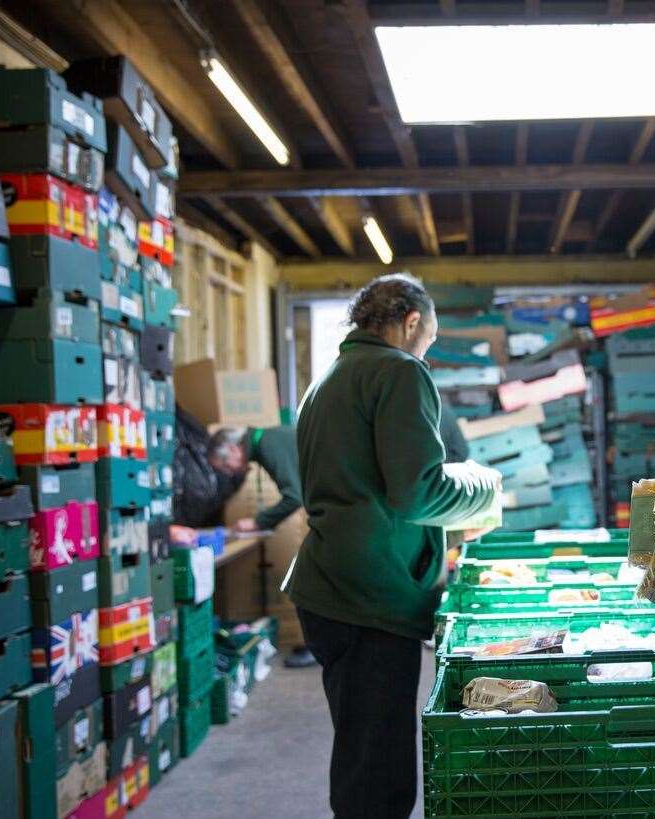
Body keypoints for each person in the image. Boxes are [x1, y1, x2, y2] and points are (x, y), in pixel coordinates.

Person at [286, 273, 501, 819]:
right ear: (411, 323)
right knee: (379, 775)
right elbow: (417, 492)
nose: (424, 352)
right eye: (427, 340)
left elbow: (366, 487)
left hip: (330, 587)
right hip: (369, 600)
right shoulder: (398, 371)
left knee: (361, 753)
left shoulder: (330, 377)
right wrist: (483, 483)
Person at [208, 424, 318, 668]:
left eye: (227, 466)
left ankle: (318, 647)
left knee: (314, 578)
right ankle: (319, 645)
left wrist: (259, 521)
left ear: (234, 449)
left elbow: (293, 497)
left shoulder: (268, 445)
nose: (231, 473)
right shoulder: (268, 440)